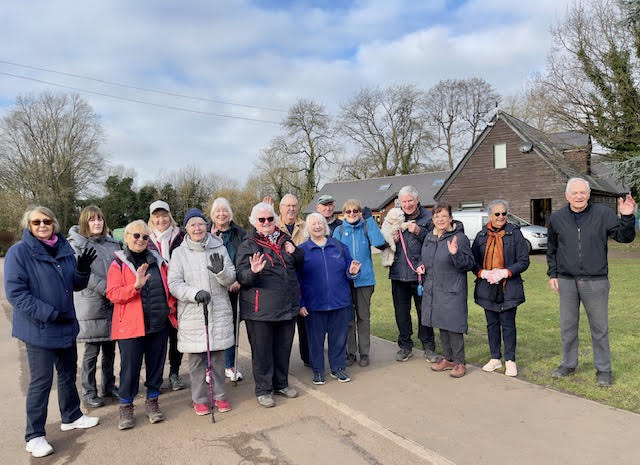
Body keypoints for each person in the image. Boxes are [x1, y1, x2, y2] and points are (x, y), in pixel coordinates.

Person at [4, 206, 99, 458]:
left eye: (47, 221)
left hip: (65, 325)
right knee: (42, 381)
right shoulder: (19, 252)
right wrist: (49, 313)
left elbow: (75, 285)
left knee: (68, 374)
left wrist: (83, 269)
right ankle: (34, 435)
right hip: (39, 328)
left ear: (54, 224)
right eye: (37, 222)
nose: (42, 226)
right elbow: (16, 293)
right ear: (29, 225)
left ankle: (71, 415)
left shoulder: (64, 248)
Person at [547, 178, 636, 387]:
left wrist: (626, 217)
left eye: (583, 192)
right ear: (567, 195)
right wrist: (553, 274)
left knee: (599, 328)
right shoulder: (557, 218)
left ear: (589, 195)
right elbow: (552, 249)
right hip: (567, 280)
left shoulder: (603, 214)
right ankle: (568, 364)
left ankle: (603, 370)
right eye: (575, 193)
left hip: (596, 281)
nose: (579, 196)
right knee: (568, 326)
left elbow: (624, 237)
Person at [106, 219, 177, 430]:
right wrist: (135, 286)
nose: (140, 240)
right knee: (130, 369)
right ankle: (126, 406)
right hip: (130, 326)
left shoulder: (159, 261)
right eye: (136, 235)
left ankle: (152, 401)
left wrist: (169, 308)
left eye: (145, 236)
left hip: (158, 324)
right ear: (126, 237)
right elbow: (113, 294)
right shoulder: (118, 263)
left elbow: (169, 288)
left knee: (156, 366)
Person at [236, 202, 304, 408]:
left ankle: (281, 383)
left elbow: (300, 263)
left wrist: (295, 252)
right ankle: (264, 389)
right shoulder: (247, 245)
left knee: (283, 348)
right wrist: (253, 272)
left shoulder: (285, 239)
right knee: (262, 352)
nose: (266, 222)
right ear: (254, 222)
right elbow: (241, 276)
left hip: (286, 306)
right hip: (260, 310)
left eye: (270, 218)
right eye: (262, 219)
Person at [169, 208, 236, 415]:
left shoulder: (219, 247)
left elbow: (230, 277)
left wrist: (221, 272)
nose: (197, 228)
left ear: (206, 226)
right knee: (197, 360)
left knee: (217, 358)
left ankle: (220, 396)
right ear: (186, 228)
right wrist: (194, 293)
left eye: (200, 224)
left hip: (218, 310)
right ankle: (199, 399)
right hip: (193, 312)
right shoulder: (179, 253)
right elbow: (174, 283)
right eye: (192, 225)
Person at [68, 205, 122, 408]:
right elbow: (84, 274)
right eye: (92, 219)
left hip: (112, 303)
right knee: (91, 352)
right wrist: (109, 289)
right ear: (85, 222)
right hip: (91, 303)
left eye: (99, 219)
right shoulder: (76, 245)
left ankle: (109, 386)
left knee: (110, 350)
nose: (97, 223)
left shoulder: (112, 243)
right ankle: (89, 391)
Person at [299, 213, 362, 384]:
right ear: (308, 228)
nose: (317, 226)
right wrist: (301, 303)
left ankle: (338, 368)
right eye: (313, 224)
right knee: (315, 341)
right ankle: (318, 371)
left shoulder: (339, 247)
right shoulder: (302, 251)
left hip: (339, 302)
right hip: (314, 305)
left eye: (320, 223)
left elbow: (350, 269)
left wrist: (352, 272)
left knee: (339, 339)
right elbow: (296, 280)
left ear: (325, 226)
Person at [471, 199, 530, 377]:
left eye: (504, 213)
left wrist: (506, 272)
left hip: (508, 286)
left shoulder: (515, 233)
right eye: (497, 214)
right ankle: (495, 358)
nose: (501, 217)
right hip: (487, 287)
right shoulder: (481, 235)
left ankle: (510, 360)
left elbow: (523, 261)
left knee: (508, 324)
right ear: (490, 215)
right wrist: (482, 273)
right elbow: (473, 261)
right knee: (492, 324)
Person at [418, 202, 475, 378]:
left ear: (451, 218)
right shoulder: (430, 237)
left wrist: (455, 254)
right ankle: (448, 358)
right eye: (436, 216)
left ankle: (459, 362)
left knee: (454, 325)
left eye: (444, 216)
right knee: (441, 323)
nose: (440, 219)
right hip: (434, 288)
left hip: (452, 289)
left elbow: (469, 264)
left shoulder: (460, 238)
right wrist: (421, 265)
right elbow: (424, 257)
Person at [332, 199, 386, 367]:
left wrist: (369, 220)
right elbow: (334, 256)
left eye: (355, 211)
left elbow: (379, 243)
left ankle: (364, 353)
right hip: (345, 282)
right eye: (348, 211)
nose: (352, 214)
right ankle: (351, 352)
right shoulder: (339, 231)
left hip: (364, 281)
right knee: (348, 319)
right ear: (343, 214)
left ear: (360, 212)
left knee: (363, 317)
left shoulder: (365, 227)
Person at [389, 185, 436, 362]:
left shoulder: (428, 218)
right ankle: (405, 346)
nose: (407, 204)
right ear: (399, 203)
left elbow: (434, 242)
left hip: (420, 275)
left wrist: (419, 231)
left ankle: (428, 346)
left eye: (410, 200)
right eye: (404, 201)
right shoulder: (394, 217)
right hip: (398, 273)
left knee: (425, 312)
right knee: (401, 313)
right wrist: (391, 239)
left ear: (417, 200)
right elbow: (383, 242)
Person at [265, 194, 310, 367]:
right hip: (282, 282)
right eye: (287, 206)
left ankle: (308, 357)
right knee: (284, 326)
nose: (291, 209)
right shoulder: (273, 225)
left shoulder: (305, 226)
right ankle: (280, 363)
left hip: (304, 279)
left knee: (305, 322)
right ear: (280, 208)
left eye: (294, 205)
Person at [147, 200, 186, 391]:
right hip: (157, 296)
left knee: (177, 337)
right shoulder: (147, 240)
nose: (161, 220)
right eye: (157, 216)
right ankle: (156, 377)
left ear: (170, 217)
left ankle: (174, 373)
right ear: (151, 219)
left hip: (178, 294)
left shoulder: (181, 237)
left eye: (164, 215)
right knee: (157, 340)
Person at [210, 197, 246, 382]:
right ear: (212, 214)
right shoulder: (205, 233)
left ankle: (229, 365)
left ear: (230, 213)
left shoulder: (240, 233)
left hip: (234, 287)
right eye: (218, 211)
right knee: (214, 327)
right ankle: (211, 367)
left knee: (231, 326)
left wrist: (237, 279)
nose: (221, 214)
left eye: (224, 210)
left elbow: (244, 258)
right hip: (213, 288)